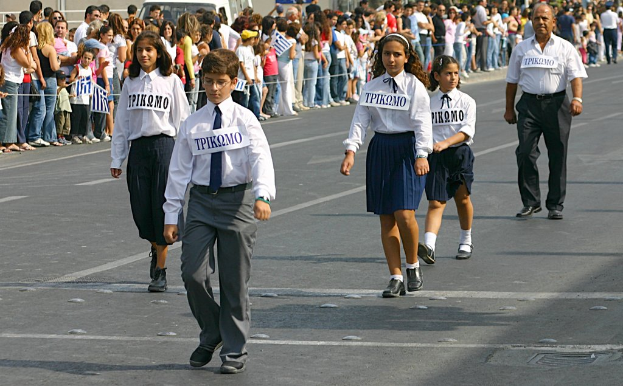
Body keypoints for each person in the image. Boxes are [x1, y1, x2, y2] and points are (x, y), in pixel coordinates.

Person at [163, 48, 275, 375]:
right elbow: (179, 171)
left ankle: (235, 350)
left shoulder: (245, 119)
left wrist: (263, 195)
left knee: (234, 280)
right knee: (192, 274)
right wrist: (172, 215)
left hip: (237, 202)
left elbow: (260, 158)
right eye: (209, 81)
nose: (214, 88)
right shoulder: (193, 123)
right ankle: (212, 330)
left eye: (221, 82)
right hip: (200, 202)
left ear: (234, 82)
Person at [340, 33, 432, 297]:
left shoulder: (414, 86)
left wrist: (422, 153)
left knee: (405, 213)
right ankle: (395, 276)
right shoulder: (371, 86)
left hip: (408, 149)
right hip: (381, 148)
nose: (391, 59)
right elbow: (360, 120)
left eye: (396, 54)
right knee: (386, 217)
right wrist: (351, 150)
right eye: (386, 54)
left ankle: (413, 264)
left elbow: (422, 123)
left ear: (406, 57)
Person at [111, 31, 190, 292]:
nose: (144, 54)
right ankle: (155, 248)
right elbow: (121, 123)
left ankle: (160, 270)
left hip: (164, 147)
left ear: (159, 53)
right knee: (141, 209)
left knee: (162, 207)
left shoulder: (171, 81)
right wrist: (117, 157)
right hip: (139, 150)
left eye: (149, 50)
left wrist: (187, 157)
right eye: (139, 50)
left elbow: (183, 120)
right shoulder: (130, 83)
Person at [504, 3, 587, 220]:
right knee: (524, 152)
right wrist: (509, 109)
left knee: (557, 155)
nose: (540, 22)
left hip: (557, 105)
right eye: (536, 18)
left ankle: (555, 204)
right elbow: (512, 82)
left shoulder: (565, 47)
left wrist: (577, 99)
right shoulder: (521, 48)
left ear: (553, 22)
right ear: (531, 21)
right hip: (529, 106)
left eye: (544, 18)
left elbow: (575, 76)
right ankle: (530, 202)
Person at [419, 55, 476, 264]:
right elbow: (423, 130)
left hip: (459, 154)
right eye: (447, 74)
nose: (453, 78)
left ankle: (466, 239)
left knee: (462, 199)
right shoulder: (428, 103)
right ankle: (430, 246)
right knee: (436, 202)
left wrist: (446, 142)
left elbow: (467, 132)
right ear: (437, 76)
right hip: (437, 158)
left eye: (455, 73)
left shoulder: (467, 101)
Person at [27, 22, 61, 147]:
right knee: (49, 109)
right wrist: (59, 61)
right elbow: (54, 67)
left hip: (38, 78)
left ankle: (40, 134)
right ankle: (49, 136)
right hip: (50, 79)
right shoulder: (50, 49)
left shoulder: (36, 49)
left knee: (40, 108)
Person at [0, 25, 33, 153]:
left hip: (8, 80)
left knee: (10, 113)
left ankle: (9, 140)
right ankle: (7, 141)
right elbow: (27, 64)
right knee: (9, 113)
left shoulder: (7, 45)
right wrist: (28, 50)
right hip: (10, 81)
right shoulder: (16, 49)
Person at [68, 48, 96, 144]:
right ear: (81, 58)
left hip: (86, 98)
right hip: (77, 97)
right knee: (77, 116)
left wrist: (92, 91)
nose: (86, 60)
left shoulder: (90, 69)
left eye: (89, 59)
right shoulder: (77, 68)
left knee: (85, 116)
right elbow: (71, 79)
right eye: (85, 58)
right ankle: (74, 134)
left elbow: (91, 82)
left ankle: (82, 134)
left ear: (92, 60)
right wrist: (76, 79)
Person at [54, 70, 72, 144]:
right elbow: (57, 93)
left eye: (65, 79)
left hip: (67, 108)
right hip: (60, 108)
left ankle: (63, 136)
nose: (64, 81)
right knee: (60, 123)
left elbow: (66, 97)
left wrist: (71, 96)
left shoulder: (64, 88)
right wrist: (61, 87)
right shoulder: (57, 87)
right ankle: (59, 136)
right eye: (61, 79)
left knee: (66, 124)